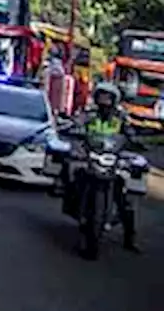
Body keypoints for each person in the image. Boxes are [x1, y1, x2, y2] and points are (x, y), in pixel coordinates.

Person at [60, 81, 141, 254]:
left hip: (112, 158)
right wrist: (73, 129)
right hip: (91, 156)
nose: (104, 101)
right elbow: (76, 123)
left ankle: (130, 237)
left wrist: (135, 141)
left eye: (108, 97)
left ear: (114, 99)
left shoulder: (121, 117)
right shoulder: (89, 114)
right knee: (74, 174)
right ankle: (75, 206)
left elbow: (131, 134)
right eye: (101, 97)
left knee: (124, 198)